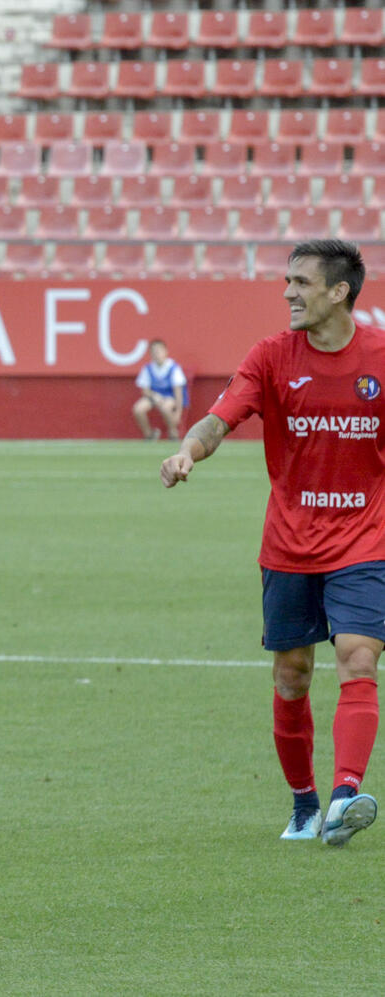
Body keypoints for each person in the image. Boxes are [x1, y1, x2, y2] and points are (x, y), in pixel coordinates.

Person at [161, 239, 381, 847]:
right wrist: (188, 451)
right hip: (290, 544)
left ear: (339, 291)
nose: (288, 293)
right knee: (292, 675)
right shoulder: (271, 356)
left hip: (365, 539)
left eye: (302, 283)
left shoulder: (380, 358)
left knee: (359, 658)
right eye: (288, 281)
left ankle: (344, 797)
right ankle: (305, 803)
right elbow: (220, 418)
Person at [132, 339, 188, 440]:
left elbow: (178, 392)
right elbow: (145, 390)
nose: (156, 354)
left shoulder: (173, 368)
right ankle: (149, 435)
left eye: (159, 351)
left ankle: (173, 432)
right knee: (138, 409)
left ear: (166, 352)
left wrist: (178, 412)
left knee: (165, 408)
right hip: (153, 397)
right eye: (154, 352)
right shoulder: (147, 368)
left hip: (169, 397)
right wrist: (154, 396)